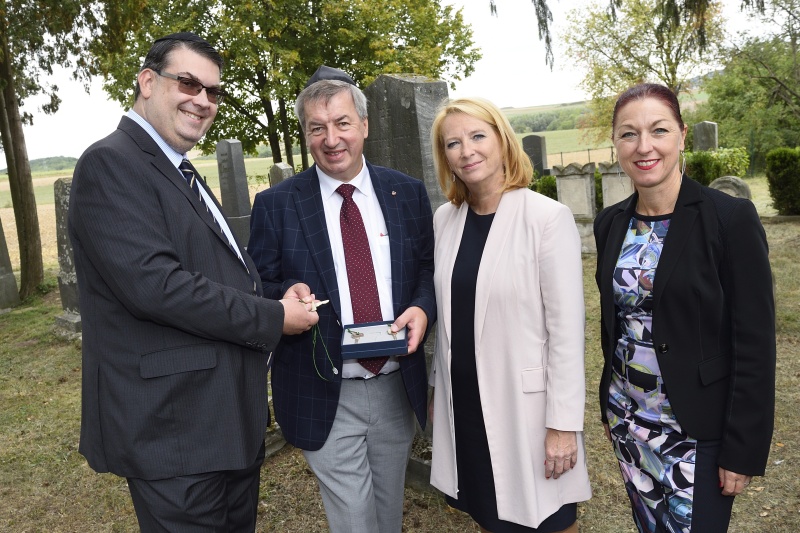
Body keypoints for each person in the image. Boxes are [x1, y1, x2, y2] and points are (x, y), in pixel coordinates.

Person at [69, 32, 318, 531]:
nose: (202, 100)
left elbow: (213, 268)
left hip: (222, 421)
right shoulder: (111, 163)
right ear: (146, 82)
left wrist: (271, 294)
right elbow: (155, 286)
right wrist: (273, 318)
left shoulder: (177, 168)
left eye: (213, 91)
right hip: (174, 432)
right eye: (188, 83)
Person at [247, 65, 435, 533]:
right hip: (322, 388)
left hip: (396, 385)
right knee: (354, 520)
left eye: (342, 123)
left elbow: (427, 269)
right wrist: (283, 297)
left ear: (364, 126)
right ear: (306, 134)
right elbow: (259, 285)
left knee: (388, 512)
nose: (331, 139)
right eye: (317, 127)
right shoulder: (277, 204)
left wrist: (423, 307)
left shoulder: (406, 193)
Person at [594, 83, 776, 532]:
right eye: (628, 134)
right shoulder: (611, 223)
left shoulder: (729, 219)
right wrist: (610, 406)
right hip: (629, 422)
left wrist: (742, 449)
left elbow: (754, 342)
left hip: (696, 430)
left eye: (658, 130)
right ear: (615, 144)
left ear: (681, 135)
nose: (644, 146)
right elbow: (615, 322)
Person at [428, 97, 591, 533]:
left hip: (527, 411)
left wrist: (562, 424)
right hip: (464, 405)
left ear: (502, 141)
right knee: (490, 517)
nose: (467, 151)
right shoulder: (446, 219)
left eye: (478, 136)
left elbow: (567, 333)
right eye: (453, 143)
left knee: (546, 521)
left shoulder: (545, 218)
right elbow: (449, 319)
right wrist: (434, 391)